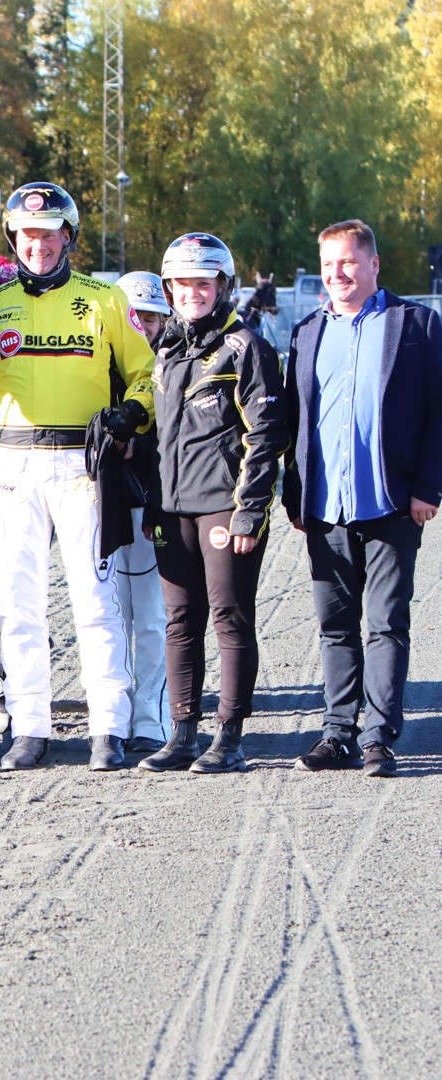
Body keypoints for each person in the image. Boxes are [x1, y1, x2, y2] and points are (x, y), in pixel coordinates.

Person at [0, 182, 155, 772]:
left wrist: (132, 411)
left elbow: (146, 373)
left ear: (68, 237)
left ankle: (108, 726)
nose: (38, 245)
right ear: (14, 238)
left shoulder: (105, 300)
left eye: (49, 233)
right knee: (18, 600)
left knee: (95, 599)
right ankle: (29, 727)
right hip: (12, 465)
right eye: (28, 235)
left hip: (83, 465)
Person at [284, 219, 442, 778]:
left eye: (348, 262)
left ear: (373, 264)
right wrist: (294, 494)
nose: (338, 274)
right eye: (328, 265)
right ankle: (337, 733)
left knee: (385, 622)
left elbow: (437, 411)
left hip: (394, 502)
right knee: (334, 626)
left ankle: (379, 736)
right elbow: (294, 420)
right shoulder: (306, 333)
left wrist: (428, 487)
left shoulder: (417, 325)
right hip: (326, 506)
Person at [137, 234, 287, 774]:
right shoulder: (165, 351)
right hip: (172, 509)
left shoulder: (247, 348)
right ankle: (181, 734)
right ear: (169, 287)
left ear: (222, 286)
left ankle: (230, 736)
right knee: (179, 619)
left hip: (226, 510)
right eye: (182, 284)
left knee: (229, 617)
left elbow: (266, 436)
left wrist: (250, 511)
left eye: (203, 283)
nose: (192, 293)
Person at [114, 270, 173, 753]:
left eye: (152, 317)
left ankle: (151, 713)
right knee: (112, 615)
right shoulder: (103, 366)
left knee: (152, 617)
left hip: (158, 505)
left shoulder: (176, 363)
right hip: (105, 506)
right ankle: (116, 710)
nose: (145, 326)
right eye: (136, 317)